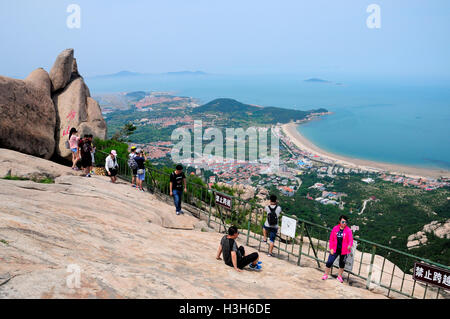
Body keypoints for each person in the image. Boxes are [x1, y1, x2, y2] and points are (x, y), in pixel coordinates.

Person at [322, 215, 354, 283]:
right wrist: (331, 248)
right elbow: (331, 239)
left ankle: (339, 276)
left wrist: (349, 245)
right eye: (343, 222)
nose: (344, 223)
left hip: (344, 250)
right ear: (340, 221)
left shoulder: (348, 230)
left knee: (342, 264)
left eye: (346, 222)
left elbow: (351, 239)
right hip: (335, 249)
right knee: (329, 262)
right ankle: (326, 274)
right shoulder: (335, 228)